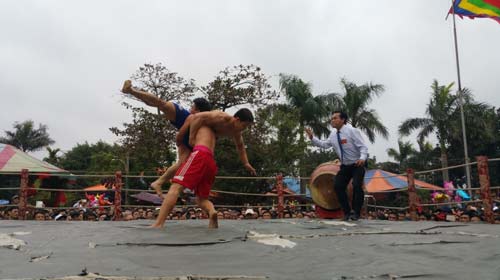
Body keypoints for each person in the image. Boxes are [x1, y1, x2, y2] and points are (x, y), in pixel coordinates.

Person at [150, 108, 256, 229]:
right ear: (237, 119)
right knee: (201, 199)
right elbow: (195, 117)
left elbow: (241, 147)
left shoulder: (234, 130)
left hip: (201, 154)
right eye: (244, 125)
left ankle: (158, 224)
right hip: (210, 161)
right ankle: (212, 212)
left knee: (176, 187)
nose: (244, 129)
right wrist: (189, 136)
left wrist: (246, 163)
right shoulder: (220, 117)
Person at [121, 80, 212, 197]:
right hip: (187, 136)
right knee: (160, 103)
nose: (190, 108)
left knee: (160, 103)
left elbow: (181, 136)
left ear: (198, 110)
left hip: (186, 135)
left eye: (192, 107)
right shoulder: (200, 121)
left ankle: (159, 182)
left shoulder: (194, 117)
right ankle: (131, 91)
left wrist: (181, 139)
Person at [305, 111, 368, 221]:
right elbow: (324, 145)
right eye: (332, 118)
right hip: (345, 165)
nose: (332, 120)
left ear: (343, 120)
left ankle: (356, 212)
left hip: (357, 163)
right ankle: (347, 212)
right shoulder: (333, 134)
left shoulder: (352, 131)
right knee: (338, 186)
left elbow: (363, 147)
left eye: (335, 118)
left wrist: (362, 158)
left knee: (357, 185)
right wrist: (312, 138)